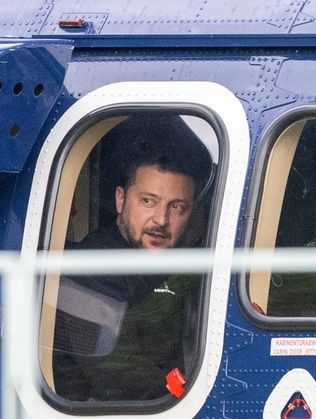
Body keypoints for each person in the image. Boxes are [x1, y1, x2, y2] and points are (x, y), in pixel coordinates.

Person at [51, 114, 212, 403]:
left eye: (176, 207)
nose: (160, 220)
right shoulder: (90, 270)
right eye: (148, 201)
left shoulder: (175, 269)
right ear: (120, 200)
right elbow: (122, 380)